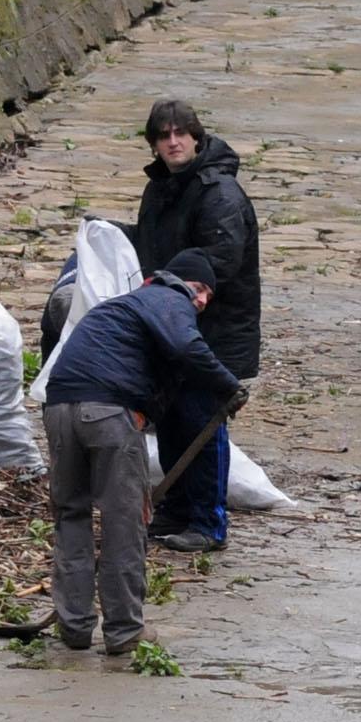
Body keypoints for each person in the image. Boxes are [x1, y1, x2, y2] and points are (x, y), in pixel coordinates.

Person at [39, 250, 244, 655]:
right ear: (175, 280)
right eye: (199, 289)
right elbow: (188, 347)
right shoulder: (168, 299)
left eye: (207, 297)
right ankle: (124, 629)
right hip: (106, 412)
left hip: (58, 409)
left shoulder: (120, 308)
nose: (201, 301)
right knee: (124, 520)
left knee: (71, 515)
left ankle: (75, 626)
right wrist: (229, 385)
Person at [127, 98, 260, 552]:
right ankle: (177, 508)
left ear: (196, 137)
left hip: (213, 330)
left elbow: (220, 261)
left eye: (180, 133)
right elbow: (153, 244)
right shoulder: (163, 189)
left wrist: (169, 289)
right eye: (163, 136)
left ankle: (208, 521)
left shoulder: (218, 194)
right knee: (171, 418)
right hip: (172, 323)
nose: (173, 141)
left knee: (203, 424)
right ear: (154, 145)